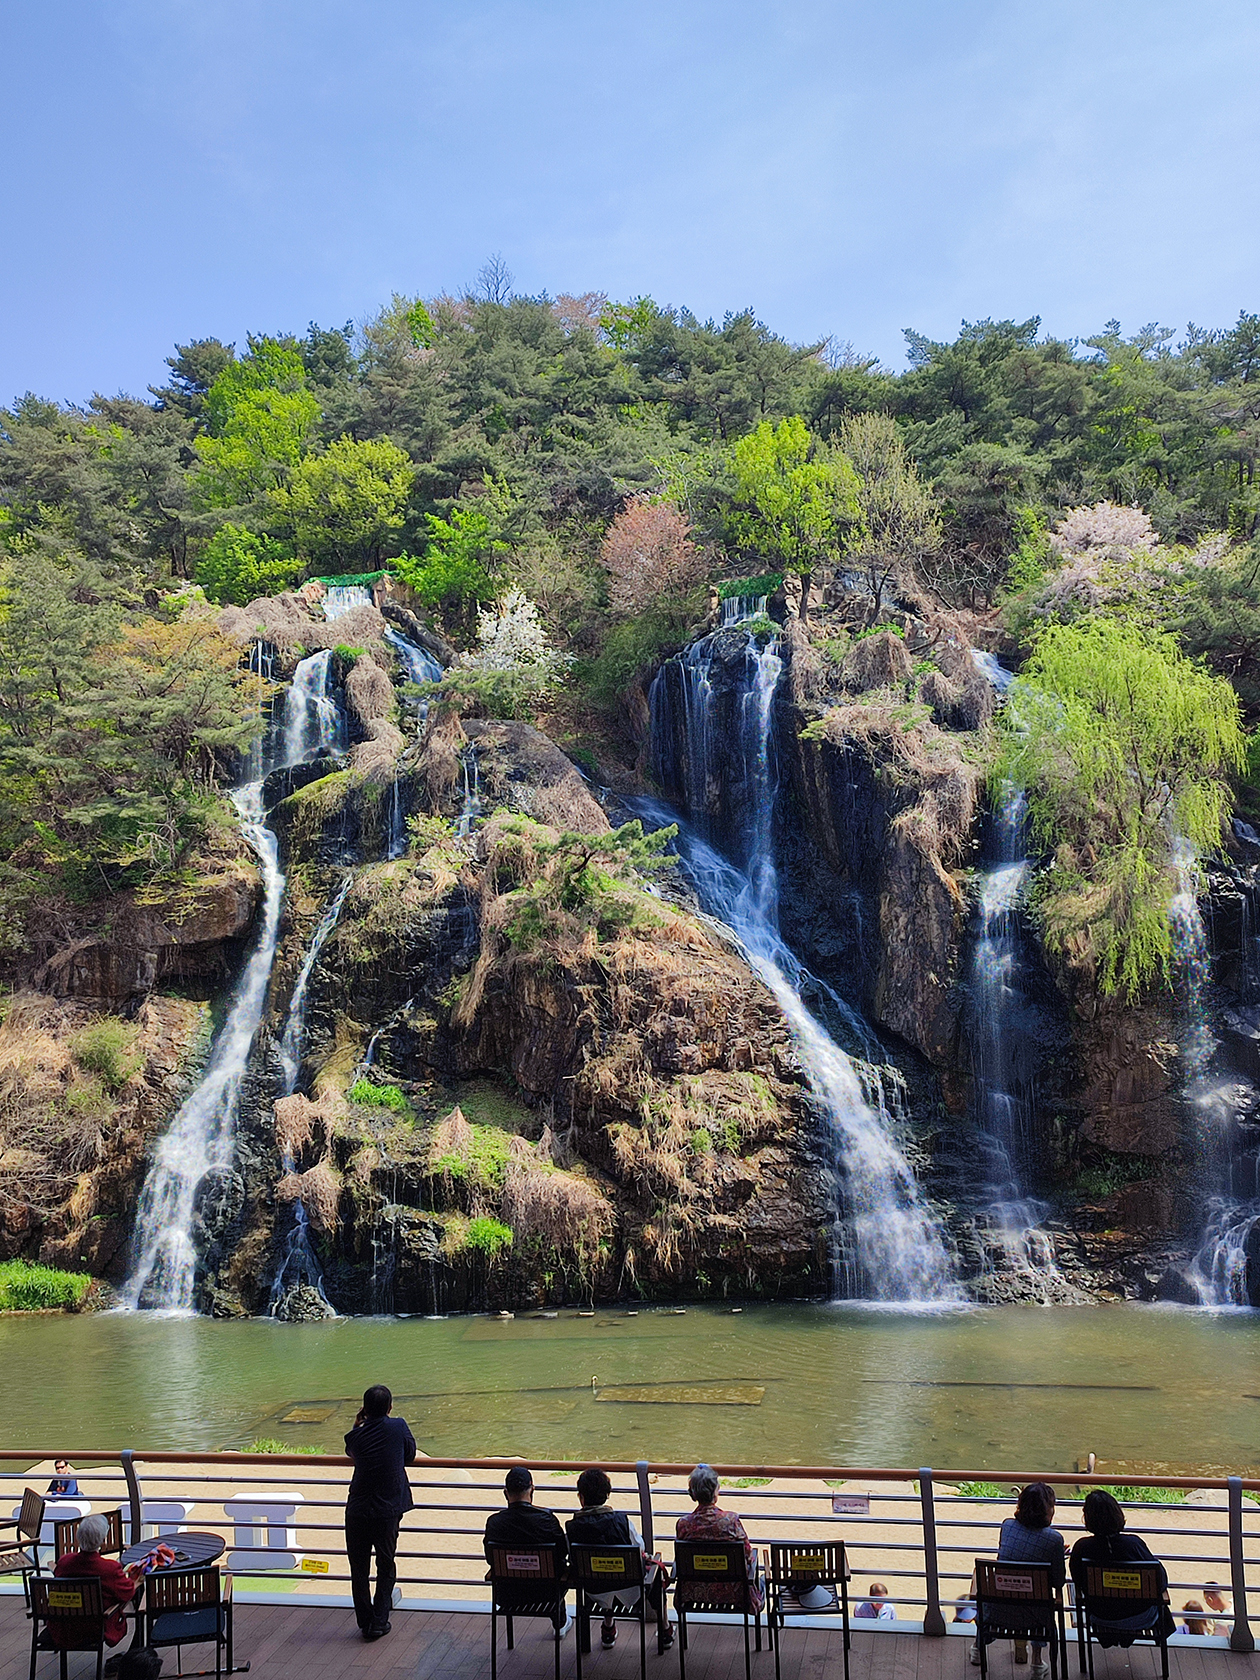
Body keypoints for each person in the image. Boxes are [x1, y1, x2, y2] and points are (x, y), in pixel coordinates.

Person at [565, 1466, 673, 1652]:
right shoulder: (621, 1521)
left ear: (581, 1497)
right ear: (607, 1494)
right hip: (631, 1591)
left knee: (601, 1575)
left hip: (594, 1591)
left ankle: (608, 1627)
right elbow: (640, 1548)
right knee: (652, 1576)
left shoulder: (573, 1527)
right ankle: (664, 1629)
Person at [344, 1384, 416, 1643]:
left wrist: (357, 1424)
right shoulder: (398, 1427)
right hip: (387, 1510)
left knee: (359, 1567)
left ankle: (366, 1621)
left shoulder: (354, 1437)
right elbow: (410, 1454)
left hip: (358, 1510)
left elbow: (351, 1451)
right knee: (385, 1565)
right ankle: (379, 1620)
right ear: (389, 1407)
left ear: (364, 1409)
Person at [971, 1483, 1065, 1677]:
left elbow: (1008, 1560)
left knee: (993, 1589)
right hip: (1036, 1619)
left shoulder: (1007, 1526)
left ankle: (978, 1648)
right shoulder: (1055, 1539)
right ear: (1049, 1509)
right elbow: (1058, 1582)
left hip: (998, 1612)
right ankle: (1037, 1663)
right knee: (1042, 1600)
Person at [1069, 1489, 1175, 1649]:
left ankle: (1109, 1637)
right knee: (1161, 1603)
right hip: (1139, 1616)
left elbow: (1078, 1580)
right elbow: (1160, 1582)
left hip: (1101, 1616)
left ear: (1088, 1518)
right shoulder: (1134, 1544)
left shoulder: (1082, 1548)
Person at [484, 1466, 570, 1635]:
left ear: (505, 1493)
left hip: (507, 1595)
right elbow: (562, 1552)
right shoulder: (547, 1520)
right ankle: (559, 1623)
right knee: (556, 1569)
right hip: (547, 1594)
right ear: (532, 1489)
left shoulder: (494, 1523)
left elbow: (490, 1559)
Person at [50, 1512, 142, 1669]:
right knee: (139, 1595)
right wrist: (137, 1580)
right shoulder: (109, 1569)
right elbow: (127, 1593)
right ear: (103, 1540)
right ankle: (139, 1648)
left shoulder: (64, 1562)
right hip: (94, 1628)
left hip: (63, 1628)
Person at [675, 1464, 764, 1612]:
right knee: (759, 1577)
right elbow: (748, 1554)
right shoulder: (731, 1521)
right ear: (716, 1493)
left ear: (693, 1494)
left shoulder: (684, 1524)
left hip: (694, 1592)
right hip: (733, 1593)